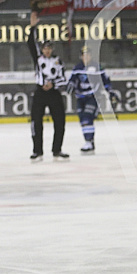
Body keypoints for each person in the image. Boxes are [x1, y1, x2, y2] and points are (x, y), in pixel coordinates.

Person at [27, 11, 69, 161]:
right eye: (45, 48)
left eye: (49, 48)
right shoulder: (38, 59)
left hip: (54, 93)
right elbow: (31, 44)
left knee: (60, 121)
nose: (47, 50)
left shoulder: (58, 62)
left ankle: (57, 150)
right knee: (36, 121)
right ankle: (37, 151)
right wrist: (32, 27)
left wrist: (53, 84)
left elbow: (63, 79)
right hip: (40, 93)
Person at [66, 45, 114, 154]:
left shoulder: (97, 67)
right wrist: (70, 86)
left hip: (93, 97)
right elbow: (72, 80)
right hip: (80, 98)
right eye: (84, 55)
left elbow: (105, 81)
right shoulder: (77, 68)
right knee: (83, 120)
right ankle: (90, 142)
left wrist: (110, 92)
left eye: (88, 55)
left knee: (87, 118)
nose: (86, 57)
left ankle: (88, 142)